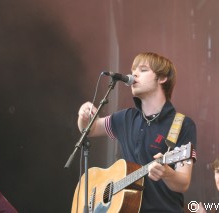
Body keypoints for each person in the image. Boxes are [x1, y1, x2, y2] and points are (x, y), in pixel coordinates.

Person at [77, 52, 197, 212]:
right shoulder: (125, 118)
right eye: (133, 70)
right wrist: (83, 115)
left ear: (162, 78)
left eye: (143, 69)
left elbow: (183, 183)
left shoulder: (182, 124)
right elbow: (89, 129)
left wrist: (167, 173)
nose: (134, 74)